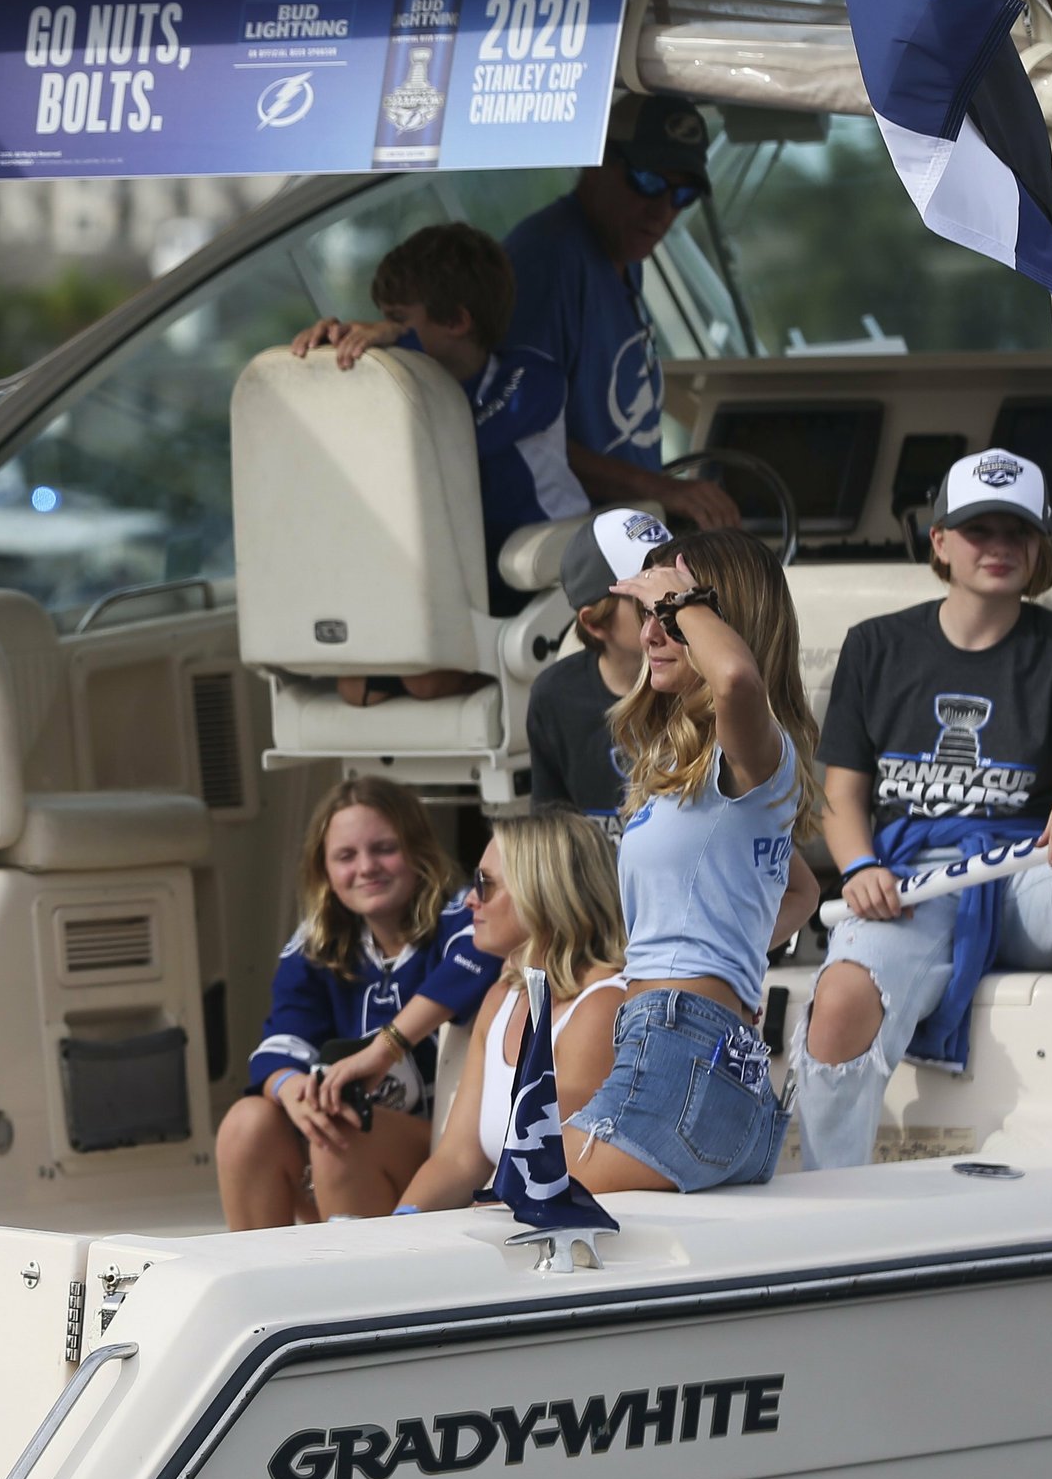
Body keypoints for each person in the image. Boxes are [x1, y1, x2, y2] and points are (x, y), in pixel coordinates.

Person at [795, 450, 1052, 1162]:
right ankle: (833, 1187)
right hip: (912, 884)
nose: (1000, 547)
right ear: (940, 543)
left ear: (1041, 549)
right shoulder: (874, 647)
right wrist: (858, 866)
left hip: (1023, 881)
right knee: (840, 998)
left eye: (1018, 532)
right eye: (979, 529)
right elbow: (841, 795)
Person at [565, 526, 823, 1194]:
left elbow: (736, 677)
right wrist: (728, 965)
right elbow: (798, 891)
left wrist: (686, 601)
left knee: (516, 1197)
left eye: (671, 617)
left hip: (679, 1055)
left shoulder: (754, 751)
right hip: (699, 1057)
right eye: (648, 615)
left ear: (718, 618)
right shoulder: (705, 766)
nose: (652, 633)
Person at [217, 776, 500, 1226]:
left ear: (418, 849)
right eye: (346, 856)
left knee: (344, 1130)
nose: (366, 867)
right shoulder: (317, 944)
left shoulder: (463, 912)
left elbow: (478, 961)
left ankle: (357, 1281)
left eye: (384, 848)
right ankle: (261, 1281)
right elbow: (277, 1046)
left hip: (444, 1153)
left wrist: (382, 1050)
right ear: (324, 870)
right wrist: (292, 1092)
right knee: (247, 1122)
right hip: (342, 1155)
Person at [288, 219, 589, 639]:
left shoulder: (531, 377)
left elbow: (461, 443)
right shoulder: (406, 388)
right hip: (466, 575)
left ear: (456, 322)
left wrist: (400, 344)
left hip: (549, 581)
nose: (382, 331)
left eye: (396, 319)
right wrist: (330, 358)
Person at [502, 93, 740, 530]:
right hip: (567, 548)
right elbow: (523, 433)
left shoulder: (623, 256)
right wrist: (663, 489)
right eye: (647, 181)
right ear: (595, 162)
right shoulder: (547, 262)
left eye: (682, 194)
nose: (662, 210)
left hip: (628, 529)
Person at [399, 810, 631, 1212]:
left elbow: (547, 1165)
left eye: (485, 885)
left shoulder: (603, 1005)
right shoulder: (502, 997)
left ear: (540, 892)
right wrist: (398, 1228)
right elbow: (458, 1160)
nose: (470, 898)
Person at [525, 507, 676, 835]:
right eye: (644, 595)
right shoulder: (556, 696)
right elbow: (551, 835)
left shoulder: (706, 680)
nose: (668, 603)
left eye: (675, 585)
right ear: (595, 622)